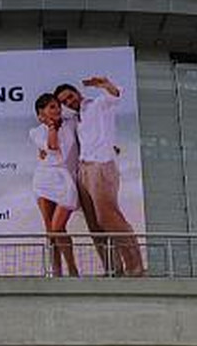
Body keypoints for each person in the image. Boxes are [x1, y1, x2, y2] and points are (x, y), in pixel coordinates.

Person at [54, 77, 144, 276]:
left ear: (77, 93)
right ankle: (112, 269)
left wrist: (104, 84)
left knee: (109, 218)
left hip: (101, 166)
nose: (69, 102)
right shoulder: (74, 119)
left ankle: (135, 267)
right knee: (94, 224)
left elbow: (115, 95)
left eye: (70, 96)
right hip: (83, 170)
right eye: (64, 101)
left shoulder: (97, 106)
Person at [29, 93, 80, 277]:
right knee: (50, 229)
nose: (57, 109)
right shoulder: (35, 132)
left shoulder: (70, 123)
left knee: (58, 227)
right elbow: (51, 146)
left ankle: (72, 268)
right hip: (44, 180)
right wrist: (51, 127)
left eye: (57, 106)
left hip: (65, 178)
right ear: (41, 113)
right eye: (51, 107)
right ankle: (56, 272)